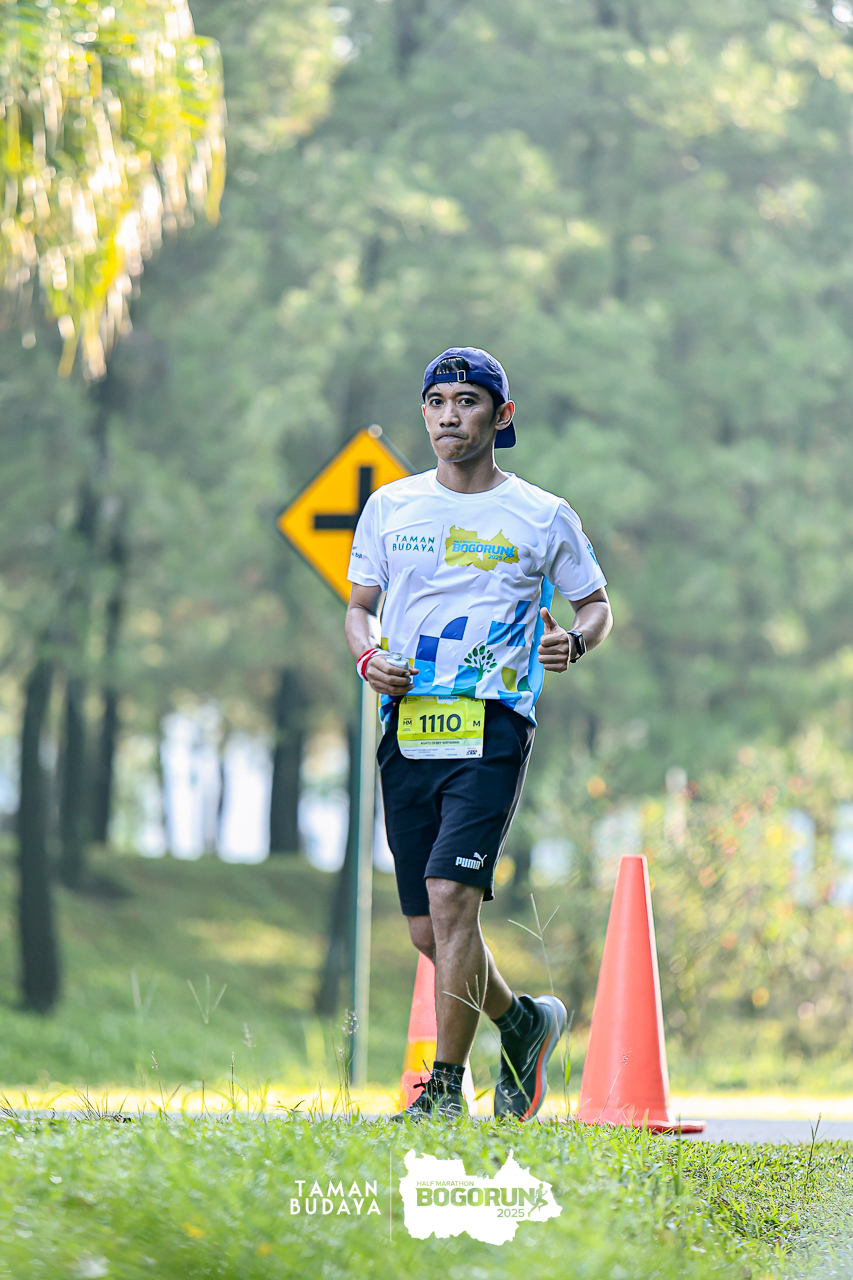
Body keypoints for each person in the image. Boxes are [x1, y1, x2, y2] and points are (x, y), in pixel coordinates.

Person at [345, 347, 612, 1120]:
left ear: (501, 415)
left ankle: (442, 1091)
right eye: (435, 402)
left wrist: (575, 641)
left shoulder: (541, 514)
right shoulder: (391, 507)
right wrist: (367, 656)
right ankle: (522, 1023)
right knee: (428, 930)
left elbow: (595, 604)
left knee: (450, 897)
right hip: (407, 723)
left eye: (465, 401)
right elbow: (359, 607)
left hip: (492, 722)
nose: (447, 416)